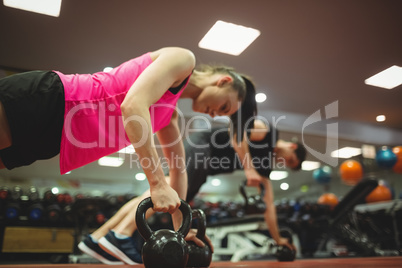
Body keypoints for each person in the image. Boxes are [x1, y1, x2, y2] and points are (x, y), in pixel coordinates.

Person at [0, 46, 257, 248]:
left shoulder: (169, 114)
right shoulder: (183, 58)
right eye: (225, 108)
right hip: (54, 100)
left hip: (55, 138)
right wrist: (156, 183)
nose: (216, 116)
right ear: (222, 81)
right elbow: (132, 105)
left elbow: (179, 172)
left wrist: (181, 230)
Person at [78, 119, 307, 264]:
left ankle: (98, 238)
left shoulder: (264, 166)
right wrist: (248, 168)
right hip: (202, 147)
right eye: (291, 160)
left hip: (205, 167)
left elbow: (268, 206)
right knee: (167, 192)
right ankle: (120, 236)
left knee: (160, 193)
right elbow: (238, 131)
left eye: (289, 165)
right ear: (294, 147)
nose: (285, 162)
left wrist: (279, 240)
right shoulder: (270, 133)